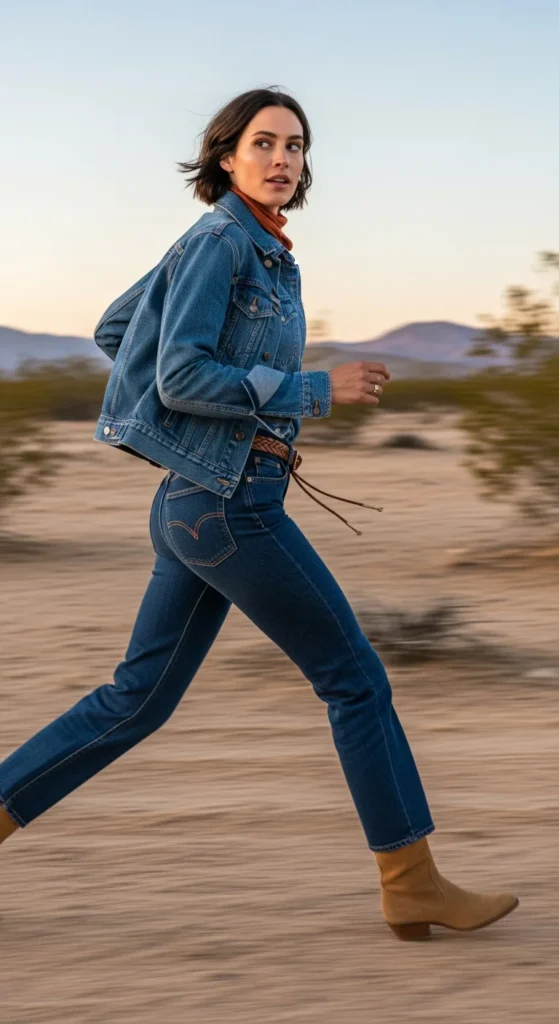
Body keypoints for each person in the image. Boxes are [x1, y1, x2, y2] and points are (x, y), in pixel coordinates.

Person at [0, 87, 518, 942]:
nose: (283, 159)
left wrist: (207, 420)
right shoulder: (221, 243)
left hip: (202, 502)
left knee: (134, 701)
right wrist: (315, 390)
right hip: (228, 507)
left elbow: (114, 327)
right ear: (225, 156)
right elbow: (177, 377)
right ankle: (410, 879)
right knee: (353, 678)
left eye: (296, 146)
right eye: (264, 143)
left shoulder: (255, 249)